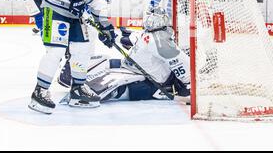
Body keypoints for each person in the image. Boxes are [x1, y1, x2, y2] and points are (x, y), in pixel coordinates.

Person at [28, 0, 126, 114]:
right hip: (55, 7)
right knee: (56, 51)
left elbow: (99, 2)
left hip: (75, 13)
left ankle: (78, 89)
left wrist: (107, 28)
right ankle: (39, 92)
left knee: (84, 47)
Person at [59, 6, 191, 104]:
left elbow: (180, 63)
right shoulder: (152, 33)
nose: (149, 21)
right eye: (148, 17)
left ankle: (92, 92)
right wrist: (114, 37)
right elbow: (133, 39)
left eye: (152, 18)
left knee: (120, 84)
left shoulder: (161, 41)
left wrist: (188, 85)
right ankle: (75, 76)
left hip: (148, 79)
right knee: (105, 60)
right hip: (131, 67)